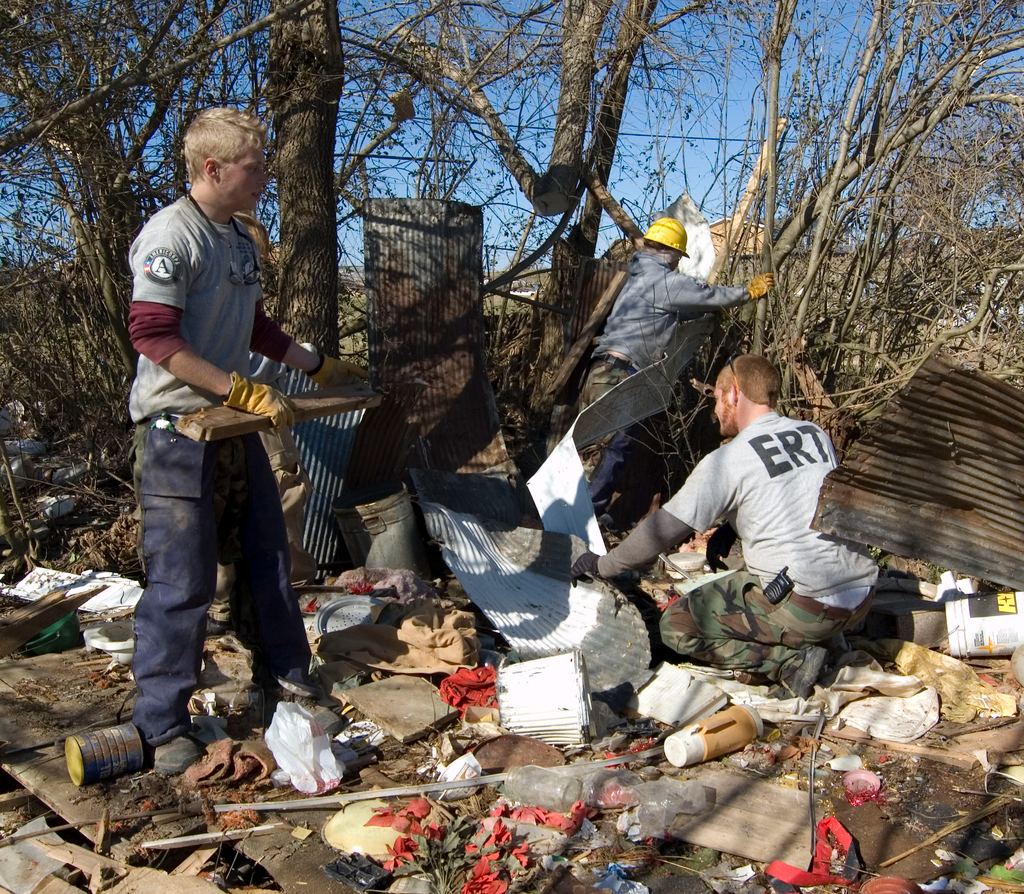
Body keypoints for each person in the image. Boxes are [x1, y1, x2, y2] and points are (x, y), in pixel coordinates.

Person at [127, 107, 365, 774]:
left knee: (268, 557)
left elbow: (256, 327)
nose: (265, 179)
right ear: (213, 168)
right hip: (179, 430)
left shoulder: (235, 237)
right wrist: (235, 390)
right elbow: (153, 336)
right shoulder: (170, 237)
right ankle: (163, 724)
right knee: (182, 582)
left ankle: (285, 681)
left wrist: (315, 365)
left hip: (235, 427)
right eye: (255, 168)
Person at [571, 354, 878, 698]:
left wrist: (603, 564)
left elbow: (662, 529)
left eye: (717, 398)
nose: (715, 410)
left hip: (807, 607)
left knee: (676, 626)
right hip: (862, 594)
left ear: (734, 394)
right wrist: (731, 527)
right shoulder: (814, 433)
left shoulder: (728, 460)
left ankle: (789, 663)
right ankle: (823, 636)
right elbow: (801, 494)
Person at [582, 218, 774, 528]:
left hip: (602, 371)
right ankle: (583, 519)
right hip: (620, 375)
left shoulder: (639, 276)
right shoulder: (665, 281)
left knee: (601, 448)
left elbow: (682, 308)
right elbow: (709, 296)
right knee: (611, 448)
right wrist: (747, 293)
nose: (677, 264)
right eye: (678, 257)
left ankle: (586, 514)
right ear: (671, 252)